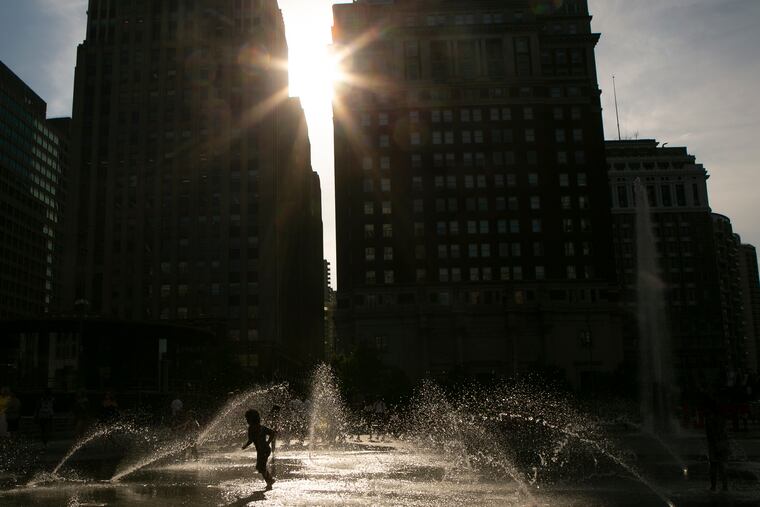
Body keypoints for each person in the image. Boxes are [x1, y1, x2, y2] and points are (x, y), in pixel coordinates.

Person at [242, 409, 276, 489]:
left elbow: (272, 433)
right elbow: (272, 433)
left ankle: (270, 481)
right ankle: (270, 480)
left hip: (263, 450)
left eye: (247, 419)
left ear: (251, 419)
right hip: (263, 450)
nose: (247, 420)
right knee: (260, 467)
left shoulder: (256, 428)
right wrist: (268, 442)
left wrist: (267, 443)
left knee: (261, 467)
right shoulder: (258, 428)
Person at [705, 398, 730, 492]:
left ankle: (713, 487)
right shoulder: (722, 417)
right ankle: (725, 486)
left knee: (714, 465)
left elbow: (711, 433)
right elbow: (724, 431)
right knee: (723, 465)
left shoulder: (710, 419)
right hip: (723, 443)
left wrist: (715, 443)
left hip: (715, 444)